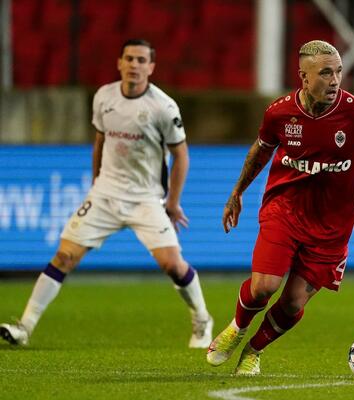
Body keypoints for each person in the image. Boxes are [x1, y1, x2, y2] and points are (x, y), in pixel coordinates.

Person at [0, 39, 213, 348]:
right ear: (119, 63)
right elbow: (100, 142)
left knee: (173, 265)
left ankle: (202, 319)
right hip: (105, 195)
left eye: (141, 60)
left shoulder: (163, 108)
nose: (134, 65)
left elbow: (181, 155)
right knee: (64, 256)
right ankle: (24, 327)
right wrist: (96, 184)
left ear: (151, 67)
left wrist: (173, 202)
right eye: (130, 58)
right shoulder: (104, 97)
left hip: (145, 199)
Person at [205, 40, 354, 375]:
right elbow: (261, 149)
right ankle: (237, 328)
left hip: (331, 227)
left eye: (338, 72)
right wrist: (238, 191)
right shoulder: (280, 113)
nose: (335, 80)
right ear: (304, 77)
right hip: (285, 211)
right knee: (264, 287)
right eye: (325, 73)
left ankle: (253, 350)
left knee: (293, 302)